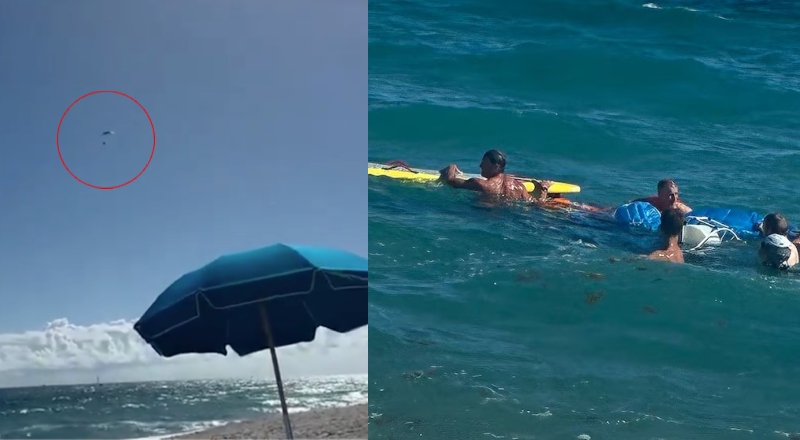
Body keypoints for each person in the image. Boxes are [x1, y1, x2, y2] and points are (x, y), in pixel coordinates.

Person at [439, 149, 552, 202]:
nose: (480, 165)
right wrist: (544, 188)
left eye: (484, 162)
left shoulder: (481, 184)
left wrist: (451, 167)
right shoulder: (518, 186)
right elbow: (538, 205)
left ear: (495, 166)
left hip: (485, 215)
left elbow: (450, 180)